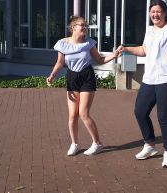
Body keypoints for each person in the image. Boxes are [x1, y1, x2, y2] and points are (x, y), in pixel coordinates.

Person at [116, 0, 167, 168]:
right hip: (149, 78)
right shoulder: (150, 30)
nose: (155, 14)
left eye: (158, 11)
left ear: (165, 13)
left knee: (164, 116)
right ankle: (149, 145)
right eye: (153, 12)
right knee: (140, 112)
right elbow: (144, 50)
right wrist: (126, 49)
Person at [47, 16, 119, 156]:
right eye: (82, 25)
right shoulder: (62, 43)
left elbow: (99, 60)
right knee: (72, 115)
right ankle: (74, 144)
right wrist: (52, 75)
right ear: (73, 27)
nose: (85, 28)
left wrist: (114, 55)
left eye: (86, 25)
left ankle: (97, 143)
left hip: (87, 76)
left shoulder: (89, 43)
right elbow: (60, 63)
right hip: (72, 77)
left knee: (83, 114)